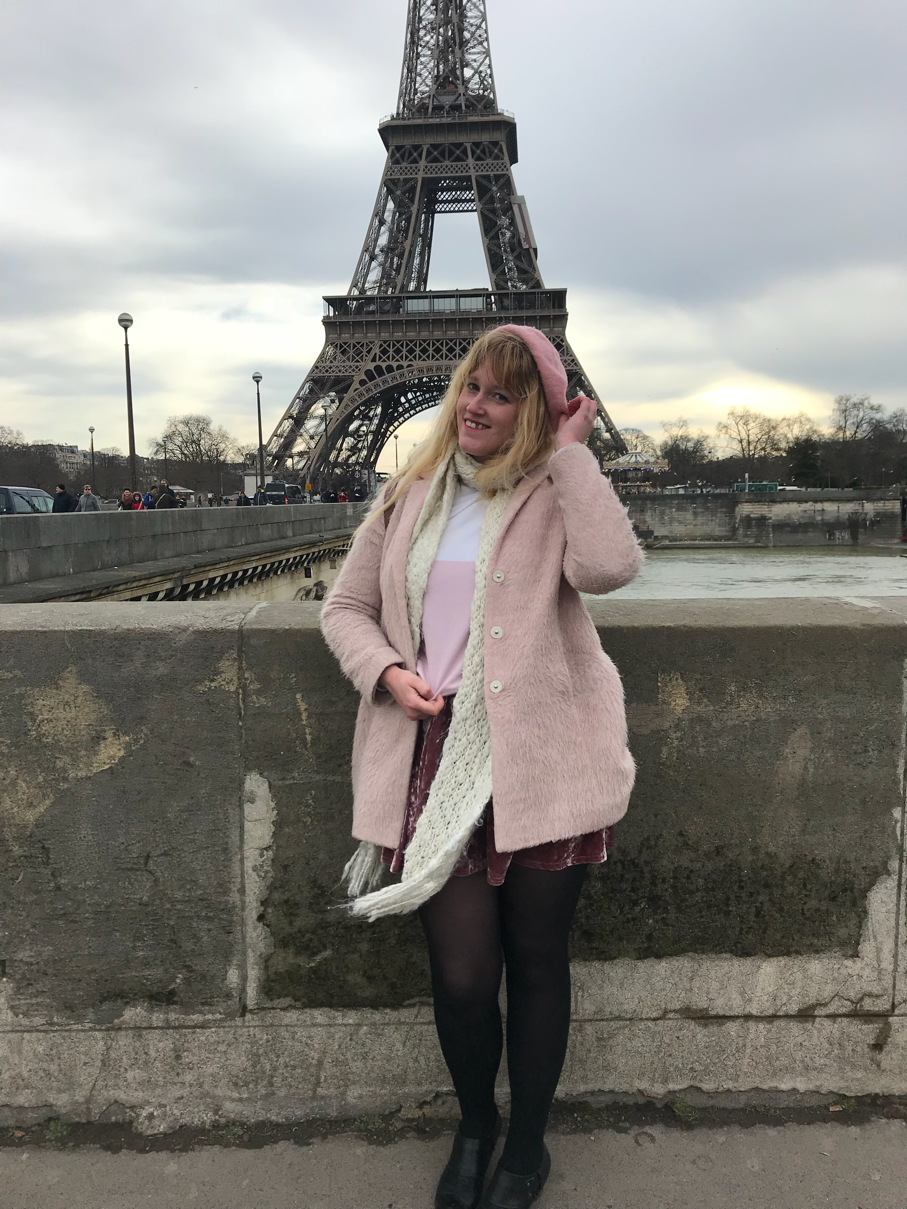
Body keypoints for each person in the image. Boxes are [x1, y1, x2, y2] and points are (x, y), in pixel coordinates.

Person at [321, 326, 643, 1209]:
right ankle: (474, 1124)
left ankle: (527, 1145)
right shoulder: (410, 493)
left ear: (534, 410)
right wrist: (387, 671)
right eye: (471, 386)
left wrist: (571, 455)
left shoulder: (553, 490)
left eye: (502, 394)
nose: (476, 405)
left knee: (536, 960)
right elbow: (345, 606)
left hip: (543, 753)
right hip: (435, 755)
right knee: (463, 975)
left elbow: (610, 567)